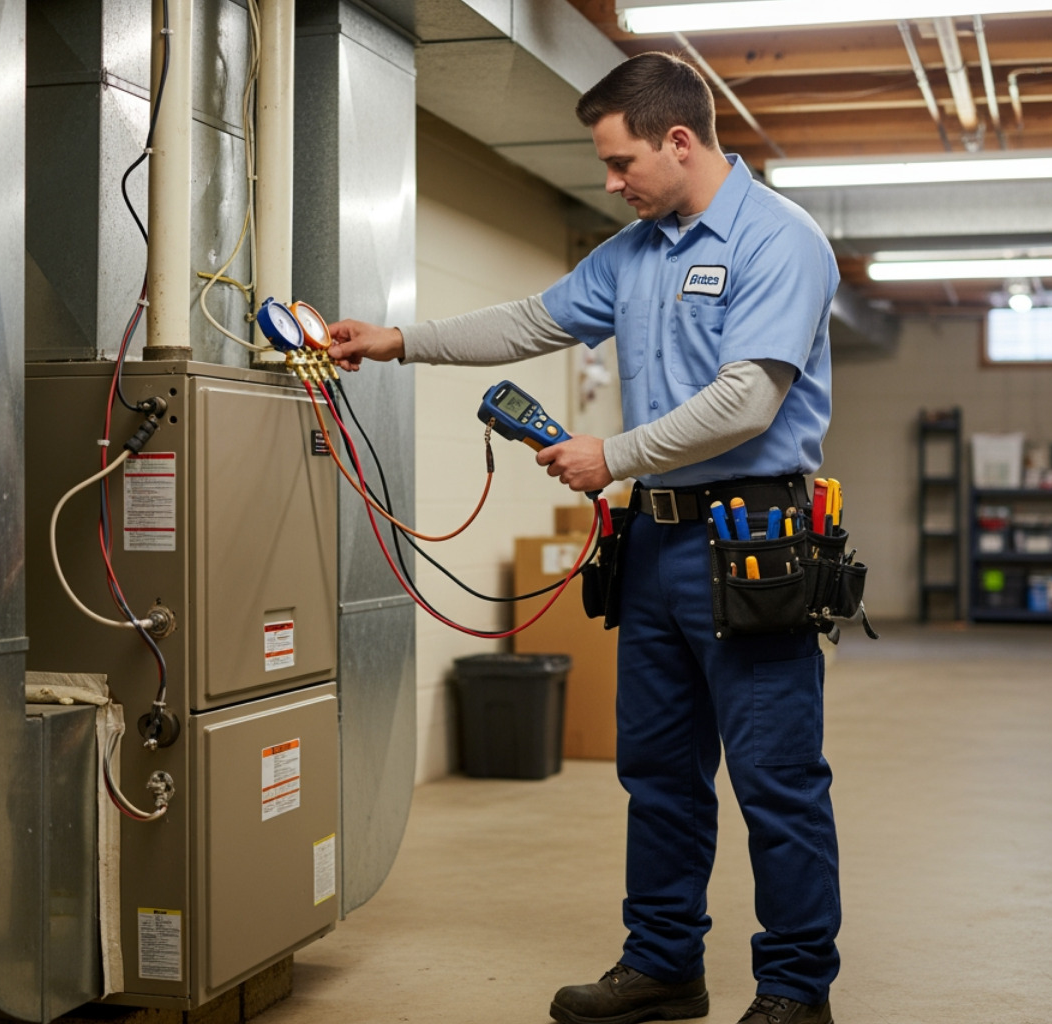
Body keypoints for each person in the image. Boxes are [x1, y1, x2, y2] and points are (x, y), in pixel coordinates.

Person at [329, 52, 840, 1024]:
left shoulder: (782, 240)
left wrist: (614, 453)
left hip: (754, 538)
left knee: (777, 777)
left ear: (679, 140)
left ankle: (795, 989)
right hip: (654, 543)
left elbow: (748, 396)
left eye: (619, 161)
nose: (610, 182)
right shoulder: (635, 250)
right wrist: (399, 341)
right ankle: (662, 964)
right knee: (655, 771)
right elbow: (530, 321)